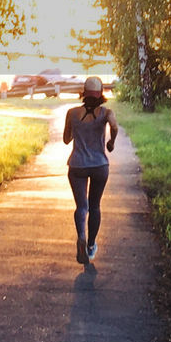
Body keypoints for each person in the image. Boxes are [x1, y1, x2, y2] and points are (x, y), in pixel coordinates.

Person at [62, 76, 118, 264]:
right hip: (99, 165)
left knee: (81, 206)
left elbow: (66, 139)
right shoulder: (106, 112)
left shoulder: (72, 113)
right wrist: (111, 141)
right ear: (101, 93)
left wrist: (79, 130)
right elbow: (115, 126)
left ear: (83, 93)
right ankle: (91, 245)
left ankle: (81, 236)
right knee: (95, 207)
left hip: (77, 165)